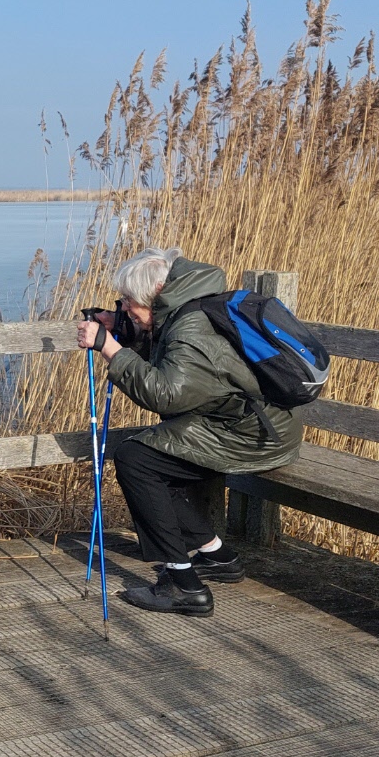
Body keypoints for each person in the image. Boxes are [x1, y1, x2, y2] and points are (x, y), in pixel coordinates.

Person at [76, 248, 302, 616]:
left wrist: (109, 347)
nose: (125, 306)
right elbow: (178, 364)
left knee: (137, 460)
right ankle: (217, 556)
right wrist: (125, 325)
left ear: (156, 294)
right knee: (152, 458)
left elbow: (166, 393)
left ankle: (185, 586)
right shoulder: (190, 306)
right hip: (253, 425)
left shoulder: (191, 329)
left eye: (129, 300)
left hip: (252, 437)